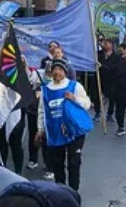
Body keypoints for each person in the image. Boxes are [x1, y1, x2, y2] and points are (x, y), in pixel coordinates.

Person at [36, 60, 92, 191]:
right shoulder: (46, 89)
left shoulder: (75, 86)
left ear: (65, 72)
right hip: (55, 132)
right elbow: (42, 111)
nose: (57, 72)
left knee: (74, 163)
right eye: (55, 69)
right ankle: (61, 191)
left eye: (60, 70)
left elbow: (87, 104)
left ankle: (74, 191)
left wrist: (74, 98)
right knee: (57, 165)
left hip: (74, 132)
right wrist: (40, 129)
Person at [98, 39, 120, 122]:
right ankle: (97, 112)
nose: (103, 45)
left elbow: (114, 68)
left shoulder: (116, 56)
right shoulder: (99, 54)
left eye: (105, 44)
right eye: (103, 43)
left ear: (110, 45)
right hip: (100, 78)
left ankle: (110, 114)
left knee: (112, 98)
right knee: (98, 96)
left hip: (111, 80)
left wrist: (102, 66)